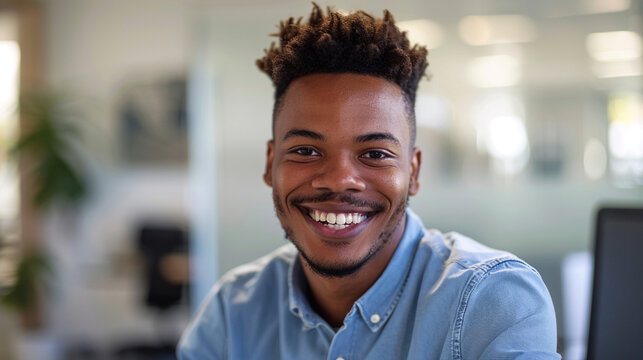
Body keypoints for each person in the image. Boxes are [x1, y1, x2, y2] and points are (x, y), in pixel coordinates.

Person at [177, 4, 560, 359]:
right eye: (307, 151)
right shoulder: (232, 311)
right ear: (271, 162)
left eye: (375, 154)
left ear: (414, 172)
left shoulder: (492, 299)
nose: (340, 180)